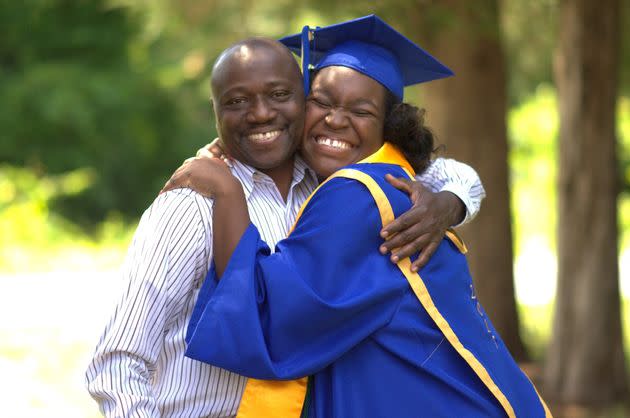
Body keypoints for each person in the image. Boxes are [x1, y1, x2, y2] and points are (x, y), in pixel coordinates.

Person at [84, 36, 486, 417]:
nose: (261, 113)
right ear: (216, 111)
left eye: (279, 95)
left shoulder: (329, 183)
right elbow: (118, 361)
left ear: (299, 99)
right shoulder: (191, 205)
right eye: (238, 101)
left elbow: (453, 174)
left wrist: (448, 205)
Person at [183, 15, 551, 418]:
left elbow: (271, 319)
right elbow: (453, 174)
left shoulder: (357, 195)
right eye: (321, 102)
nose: (335, 120)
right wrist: (450, 200)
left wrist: (225, 189)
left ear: (388, 128)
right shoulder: (394, 181)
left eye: (361, 111)